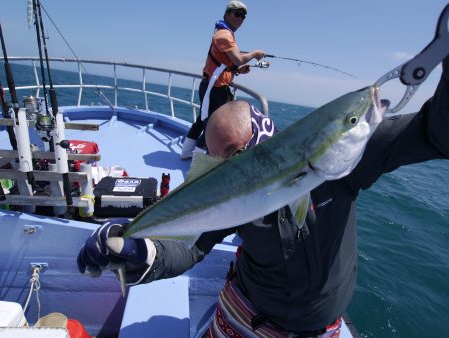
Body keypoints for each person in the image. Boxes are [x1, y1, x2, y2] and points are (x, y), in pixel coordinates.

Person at [78, 57, 449, 337]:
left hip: (320, 327)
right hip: (243, 310)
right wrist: (140, 251)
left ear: (264, 135)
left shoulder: (344, 158)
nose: (232, 171)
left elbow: (437, 133)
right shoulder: (230, 194)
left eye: (238, 155)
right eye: (219, 161)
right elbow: (190, 246)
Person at [181, 0, 265, 159]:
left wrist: (238, 71)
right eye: (237, 14)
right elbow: (238, 58)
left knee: (202, 120)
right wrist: (255, 54)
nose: (239, 19)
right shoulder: (224, 35)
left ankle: (186, 153)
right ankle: (196, 164)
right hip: (215, 89)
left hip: (213, 86)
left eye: (243, 17)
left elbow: (224, 64)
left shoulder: (224, 33)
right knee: (212, 126)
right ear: (227, 14)